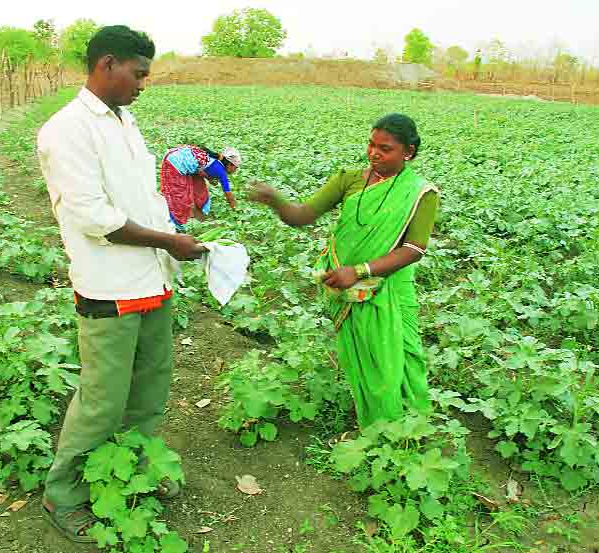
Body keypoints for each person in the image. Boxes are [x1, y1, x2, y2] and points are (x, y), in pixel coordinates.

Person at [35, 25, 205, 543]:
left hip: (152, 278)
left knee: (150, 388)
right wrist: (166, 241)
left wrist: (174, 235)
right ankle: (63, 492)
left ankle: (133, 465)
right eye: (139, 73)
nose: (143, 84)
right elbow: (93, 217)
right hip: (108, 285)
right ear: (107, 64)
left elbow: (142, 199)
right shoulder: (65, 130)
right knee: (102, 400)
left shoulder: (125, 121)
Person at [249, 113, 439, 429]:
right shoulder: (349, 180)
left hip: (391, 286)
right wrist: (276, 201)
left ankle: (408, 423)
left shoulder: (420, 192)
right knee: (366, 352)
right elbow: (303, 215)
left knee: (401, 353)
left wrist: (360, 270)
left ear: (409, 151)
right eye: (371, 144)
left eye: (386, 148)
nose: (374, 153)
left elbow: (414, 249)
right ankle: (380, 422)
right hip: (350, 285)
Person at [160, 144, 242, 232]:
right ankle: (176, 225)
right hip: (176, 163)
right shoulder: (221, 171)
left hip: (176, 156)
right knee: (178, 197)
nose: (235, 171)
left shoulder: (215, 161)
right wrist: (237, 211)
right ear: (230, 165)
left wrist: (209, 178)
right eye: (235, 168)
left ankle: (196, 215)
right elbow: (228, 195)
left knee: (199, 188)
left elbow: (199, 168)